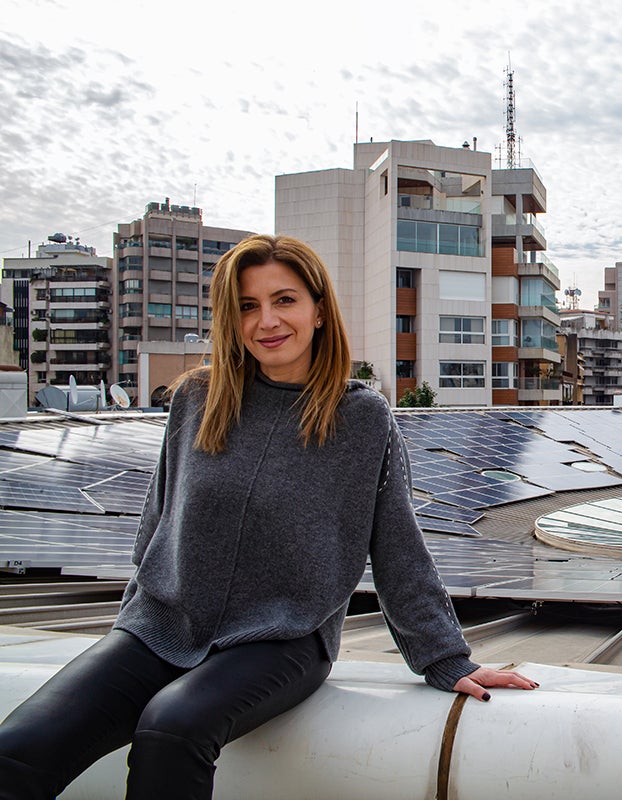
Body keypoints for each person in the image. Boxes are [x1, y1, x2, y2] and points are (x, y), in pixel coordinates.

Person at [0, 235, 536, 799]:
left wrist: (445, 659)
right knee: (18, 750)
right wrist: (131, 629)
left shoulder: (361, 418)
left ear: (319, 311)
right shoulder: (196, 399)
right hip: (162, 627)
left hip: (283, 638)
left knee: (172, 729)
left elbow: (399, 548)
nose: (267, 321)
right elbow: (157, 523)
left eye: (284, 300)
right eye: (247, 306)